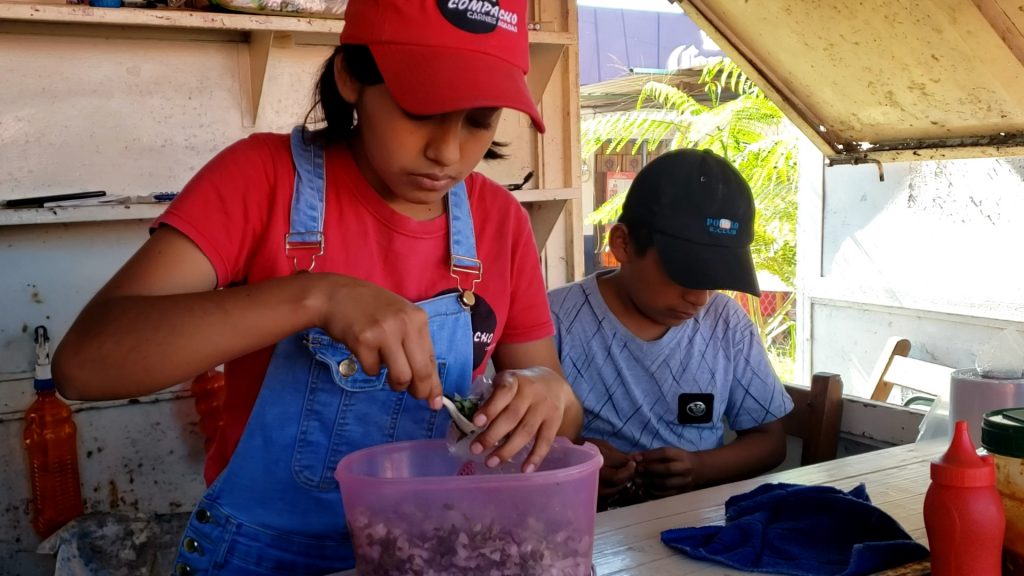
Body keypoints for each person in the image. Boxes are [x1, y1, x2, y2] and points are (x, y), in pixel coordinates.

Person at [52, 0, 583, 573]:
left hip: (436, 551)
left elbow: (560, 415)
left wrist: (546, 393)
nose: (447, 152)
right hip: (263, 558)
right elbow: (86, 365)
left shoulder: (497, 221)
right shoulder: (261, 179)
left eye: (480, 120)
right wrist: (315, 297)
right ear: (350, 76)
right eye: (418, 107)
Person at [548, 149, 792, 510]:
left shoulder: (726, 324)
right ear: (623, 244)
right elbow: (505, 444)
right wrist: (571, 462)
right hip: (585, 530)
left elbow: (770, 442)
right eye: (684, 274)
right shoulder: (553, 320)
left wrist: (700, 468)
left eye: (715, 280)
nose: (700, 297)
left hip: (697, 532)